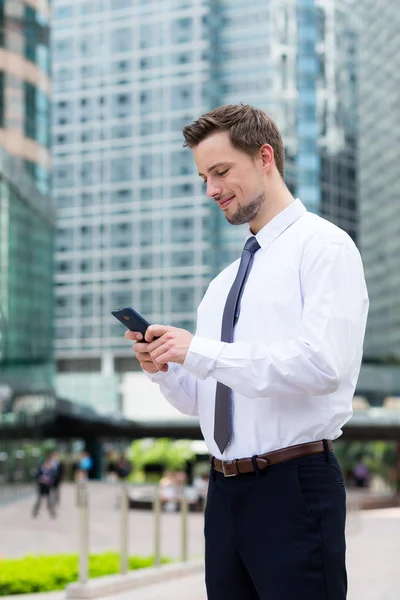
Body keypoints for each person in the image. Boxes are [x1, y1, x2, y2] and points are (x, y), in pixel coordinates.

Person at [124, 104, 369, 599]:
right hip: (224, 494)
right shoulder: (222, 284)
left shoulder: (325, 248)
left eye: (220, 171)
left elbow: (321, 365)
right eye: (203, 177)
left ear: (264, 158)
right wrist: (167, 368)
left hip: (294, 488)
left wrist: (202, 351)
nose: (211, 189)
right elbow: (206, 400)